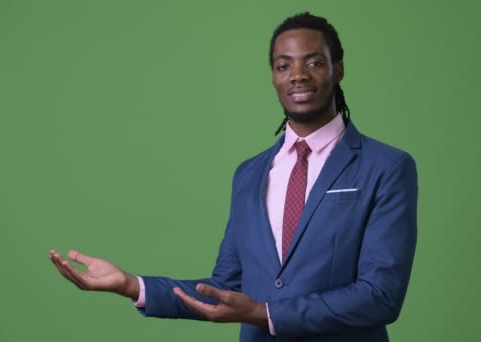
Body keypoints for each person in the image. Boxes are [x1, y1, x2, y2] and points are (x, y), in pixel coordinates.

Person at [49, 12, 418, 342]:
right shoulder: (250, 174)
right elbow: (226, 287)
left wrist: (264, 314)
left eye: (314, 63)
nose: (298, 76)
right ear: (273, 76)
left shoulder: (386, 167)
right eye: (283, 65)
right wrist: (132, 285)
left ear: (337, 69)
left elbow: (381, 296)